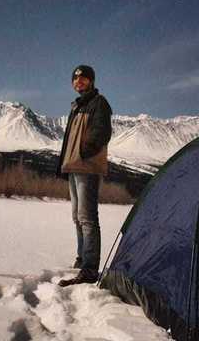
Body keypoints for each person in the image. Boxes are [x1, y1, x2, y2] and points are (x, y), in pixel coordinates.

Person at [56, 65, 113, 287]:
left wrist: (84, 151)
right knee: (76, 216)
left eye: (83, 78)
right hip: (73, 165)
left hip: (86, 166)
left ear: (91, 81)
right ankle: (81, 259)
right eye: (75, 79)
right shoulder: (76, 106)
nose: (79, 81)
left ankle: (90, 269)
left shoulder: (99, 103)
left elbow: (102, 132)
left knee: (87, 217)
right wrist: (65, 161)